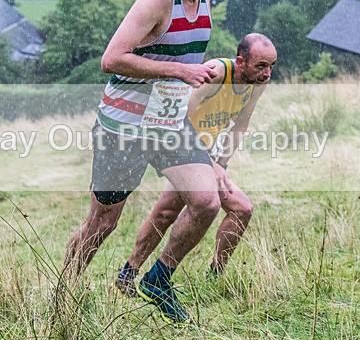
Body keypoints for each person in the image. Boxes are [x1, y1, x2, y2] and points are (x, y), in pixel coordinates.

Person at [61, 0, 236, 324]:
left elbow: (180, 56)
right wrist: (177, 73)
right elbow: (113, 58)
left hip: (167, 122)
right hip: (123, 125)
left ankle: (158, 277)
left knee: (207, 201)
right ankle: (65, 292)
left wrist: (198, 71)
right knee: (103, 222)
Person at [114, 34, 277, 297]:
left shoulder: (256, 83)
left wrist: (221, 162)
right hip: (180, 148)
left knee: (239, 209)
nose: (267, 73)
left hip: (205, 156)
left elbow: (241, 125)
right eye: (261, 66)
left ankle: (214, 275)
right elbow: (178, 117)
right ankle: (133, 275)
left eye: (271, 66)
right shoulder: (214, 75)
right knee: (167, 213)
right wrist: (209, 163)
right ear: (240, 61)